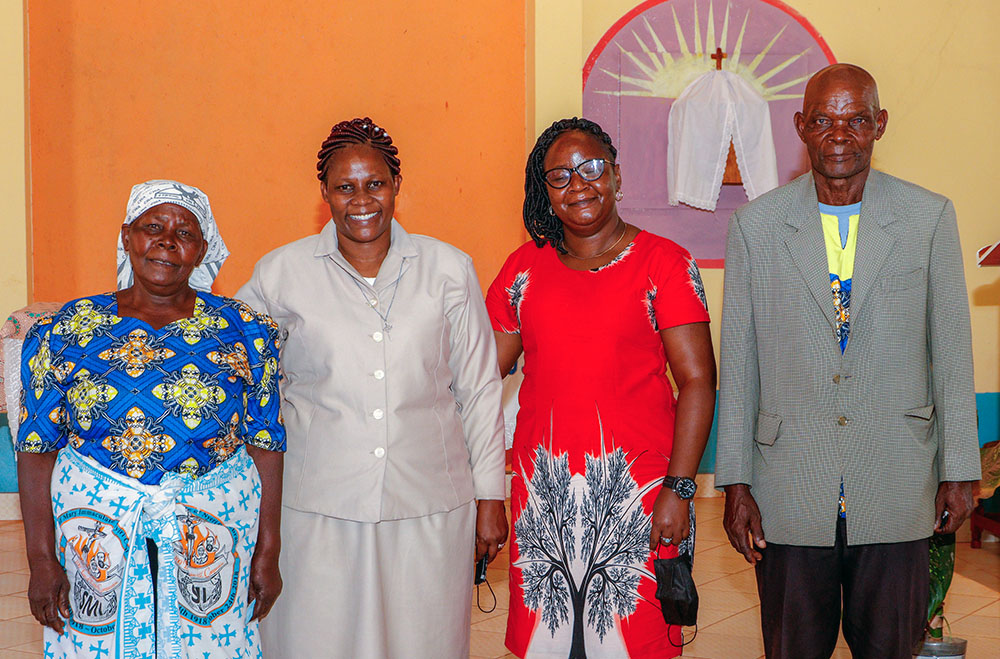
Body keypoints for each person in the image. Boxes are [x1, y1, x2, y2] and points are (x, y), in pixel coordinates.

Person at [715, 64, 982, 659]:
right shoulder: (756, 227)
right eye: (823, 121)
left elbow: (952, 353)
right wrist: (735, 481)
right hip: (790, 489)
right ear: (800, 128)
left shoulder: (928, 217)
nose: (840, 134)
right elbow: (739, 364)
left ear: (879, 125)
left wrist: (959, 468)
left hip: (895, 482)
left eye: (857, 119)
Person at [236, 117, 508, 659]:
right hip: (317, 506)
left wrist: (490, 495)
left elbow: (478, 388)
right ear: (325, 194)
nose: (362, 199)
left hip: (430, 501)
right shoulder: (280, 275)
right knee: (317, 640)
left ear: (396, 186)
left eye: (375, 183)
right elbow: (233, 374)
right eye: (345, 187)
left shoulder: (449, 270)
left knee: (423, 640)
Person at [17, 180, 285, 659]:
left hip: (211, 536)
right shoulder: (65, 329)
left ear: (202, 250)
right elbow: (37, 447)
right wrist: (40, 558)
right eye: (152, 228)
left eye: (184, 233)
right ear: (127, 237)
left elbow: (265, 441)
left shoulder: (246, 329)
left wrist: (267, 551)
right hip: (97, 538)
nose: (167, 241)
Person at [487, 117, 717, 658]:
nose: (579, 185)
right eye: (560, 175)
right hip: (544, 499)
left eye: (592, 168)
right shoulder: (523, 270)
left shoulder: (664, 264)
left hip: (636, 496)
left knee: (631, 644)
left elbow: (699, 381)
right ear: (543, 192)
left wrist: (680, 489)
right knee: (549, 643)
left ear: (616, 176)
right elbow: (478, 376)